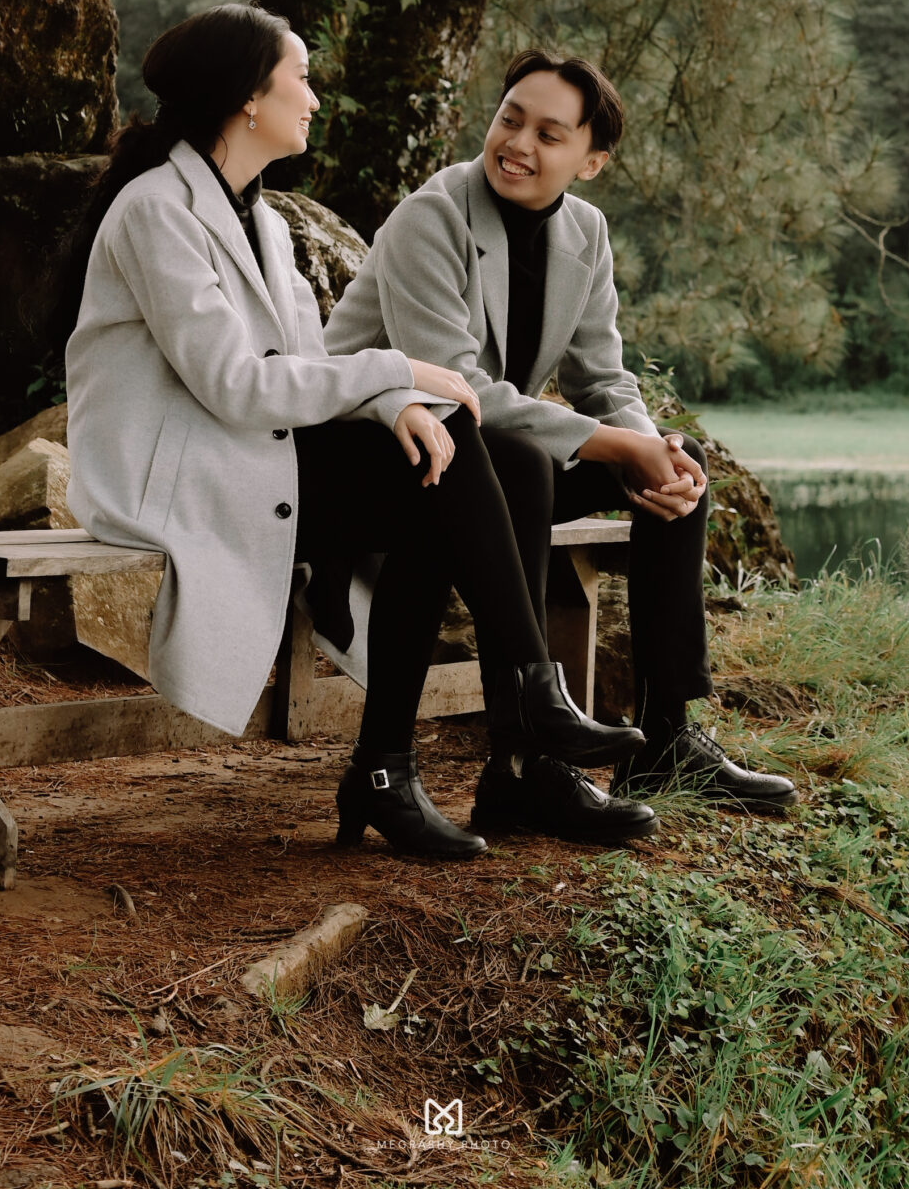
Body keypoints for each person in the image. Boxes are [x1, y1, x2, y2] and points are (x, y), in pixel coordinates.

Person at [55, 4, 642, 862]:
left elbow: (308, 365)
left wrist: (395, 405)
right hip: (175, 478)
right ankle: (518, 703)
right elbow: (237, 383)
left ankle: (406, 762)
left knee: (469, 455)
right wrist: (398, 372)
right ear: (247, 100)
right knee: (444, 470)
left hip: (250, 456)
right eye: (300, 78)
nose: (315, 98)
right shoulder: (156, 212)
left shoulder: (262, 220)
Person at [324, 48, 797, 842]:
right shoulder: (430, 216)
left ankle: (665, 739)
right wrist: (610, 445)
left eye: (548, 134)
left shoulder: (585, 231)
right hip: (372, 450)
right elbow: (455, 387)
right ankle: (525, 762)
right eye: (509, 119)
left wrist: (646, 448)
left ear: (591, 160)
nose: (517, 143)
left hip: (482, 454)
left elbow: (602, 377)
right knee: (518, 463)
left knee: (677, 469)